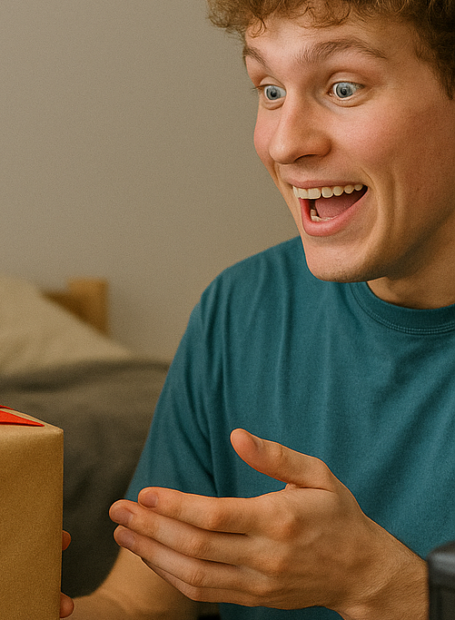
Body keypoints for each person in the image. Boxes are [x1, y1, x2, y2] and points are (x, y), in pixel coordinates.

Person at [67, 0, 455, 618]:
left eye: (344, 87)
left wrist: (378, 582)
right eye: (270, 89)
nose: (283, 143)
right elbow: (137, 604)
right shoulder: (241, 306)